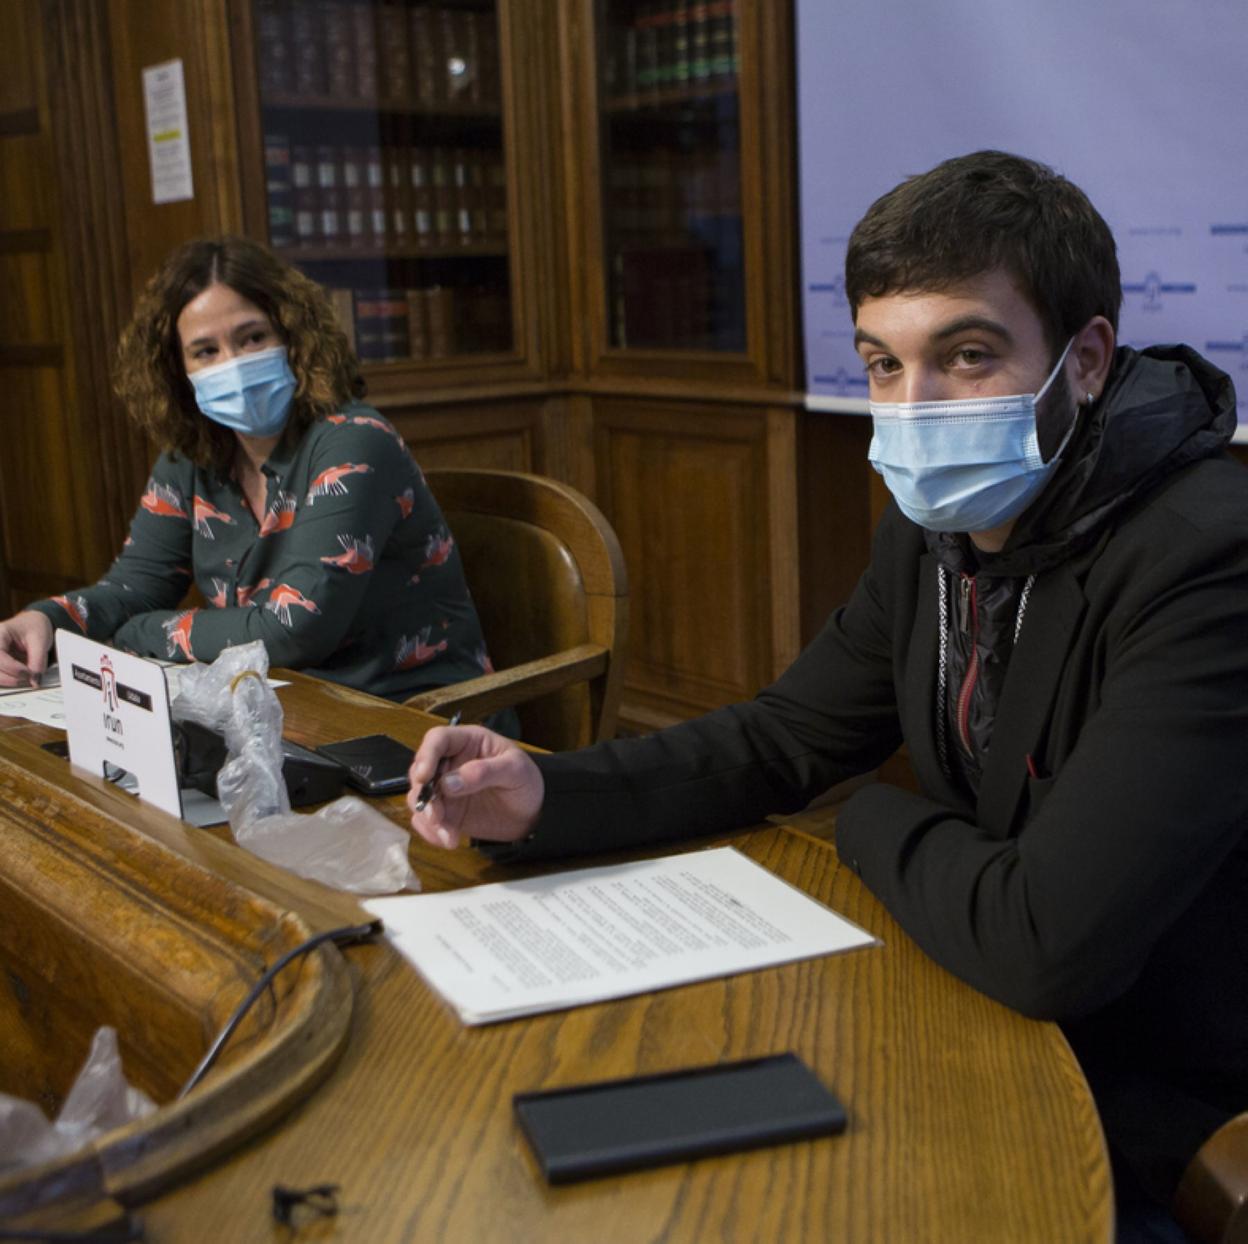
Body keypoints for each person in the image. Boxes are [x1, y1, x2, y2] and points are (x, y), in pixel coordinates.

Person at [407, 151, 1247, 1239]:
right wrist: (546, 794)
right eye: (882, 364)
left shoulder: (1208, 558)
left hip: (1153, 1101)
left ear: (1084, 359)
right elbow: (785, 734)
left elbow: (1050, 940)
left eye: (968, 355)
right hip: (974, 1008)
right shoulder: (937, 524)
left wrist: (870, 814)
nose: (915, 407)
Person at [0, 236, 499, 706]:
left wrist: (135, 634)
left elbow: (292, 630)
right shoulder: (191, 455)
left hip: (413, 722)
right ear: (177, 370)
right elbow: (136, 587)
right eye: (205, 351)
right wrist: (43, 618)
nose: (232, 363)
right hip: (285, 715)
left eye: (253, 337)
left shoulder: (354, 440)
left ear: (294, 336)